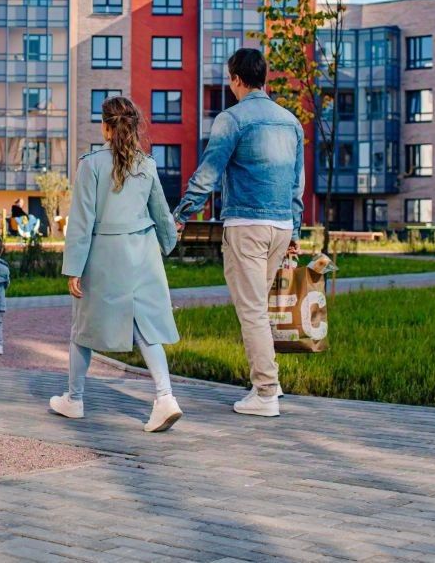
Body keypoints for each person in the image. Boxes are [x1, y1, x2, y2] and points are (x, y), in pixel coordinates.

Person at [174, 48, 303, 418]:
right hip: (280, 226)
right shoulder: (290, 121)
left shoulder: (231, 119)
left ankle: (266, 391)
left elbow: (209, 172)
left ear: (235, 79)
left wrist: (182, 213)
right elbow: (297, 183)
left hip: (247, 225)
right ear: (264, 77)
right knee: (259, 307)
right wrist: (295, 229)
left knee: (253, 311)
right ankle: (268, 383)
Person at [49, 96, 183, 432]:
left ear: (106, 128)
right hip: (143, 255)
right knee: (146, 328)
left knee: (82, 328)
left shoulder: (91, 165)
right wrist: (169, 242)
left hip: (104, 256)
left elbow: (82, 221)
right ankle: (165, 397)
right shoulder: (147, 165)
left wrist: (73, 267)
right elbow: (161, 212)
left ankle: (74, 399)